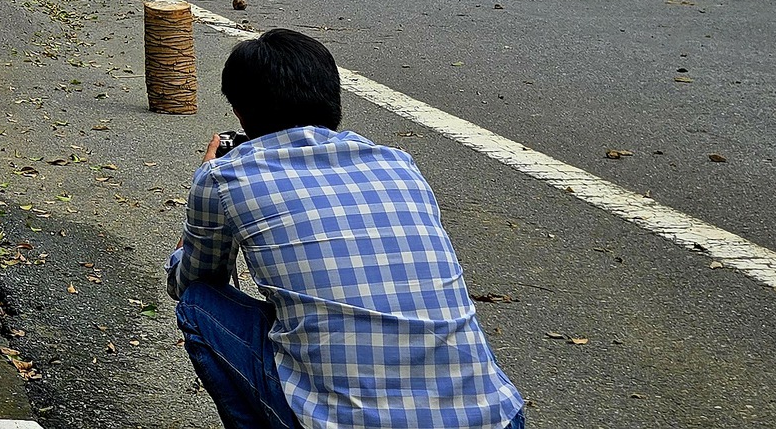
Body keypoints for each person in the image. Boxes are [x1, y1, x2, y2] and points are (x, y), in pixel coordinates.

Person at [166, 28, 525, 429]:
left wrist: (196, 216)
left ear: (240, 113)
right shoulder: (398, 164)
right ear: (332, 100)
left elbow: (191, 281)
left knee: (198, 303)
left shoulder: (223, 177)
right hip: (495, 417)